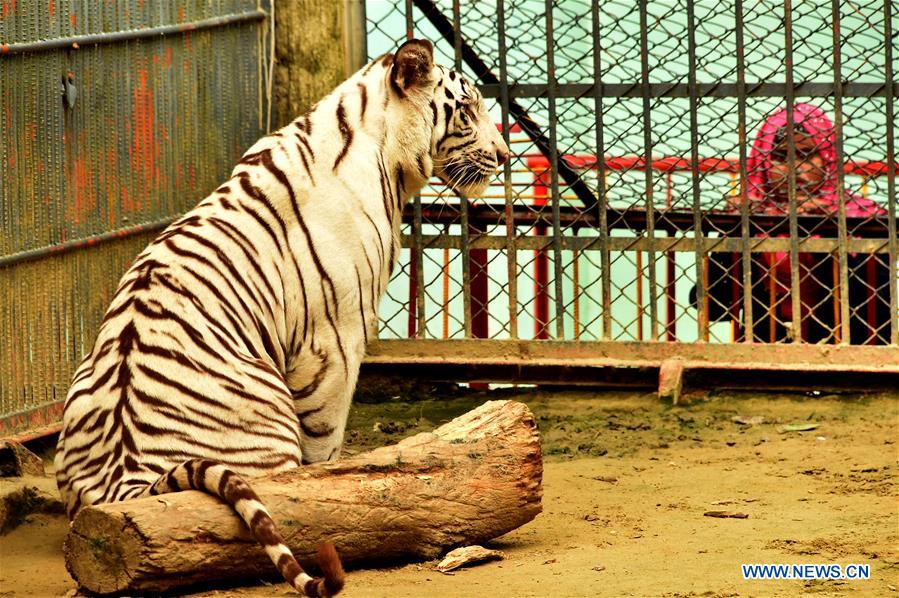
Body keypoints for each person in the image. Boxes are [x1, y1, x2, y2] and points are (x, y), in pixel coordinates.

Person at [697, 103, 889, 344]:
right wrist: (738, 231)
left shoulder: (860, 215)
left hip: (852, 346)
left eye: (806, 155)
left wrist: (823, 227)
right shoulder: (752, 218)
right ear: (763, 159)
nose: (794, 168)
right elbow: (711, 304)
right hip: (764, 350)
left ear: (828, 158)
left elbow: (878, 302)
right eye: (780, 156)